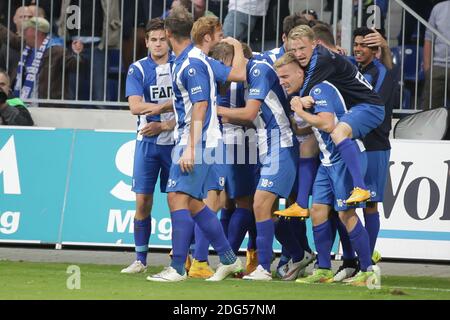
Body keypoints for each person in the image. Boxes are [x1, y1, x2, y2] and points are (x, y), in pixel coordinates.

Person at [146, 6, 245, 283]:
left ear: (167, 33)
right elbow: (235, 76)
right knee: (191, 204)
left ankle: (177, 268)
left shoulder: (190, 64)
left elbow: (200, 105)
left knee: (176, 197)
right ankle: (228, 259)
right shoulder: (196, 58)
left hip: (197, 140)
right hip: (207, 140)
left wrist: (191, 147)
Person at [274, 52, 380, 286]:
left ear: (301, 73)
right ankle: (323, 268)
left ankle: (368, 270)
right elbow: (311, 130)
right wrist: (297, 116)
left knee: (346, 214)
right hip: (327, 160)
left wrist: (300, 112)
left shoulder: (319, 89)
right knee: (319, 211)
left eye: (285, 76)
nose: (282, 81)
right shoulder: (306, 94)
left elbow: (329, 123)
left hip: (343, 158)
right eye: (279, 77)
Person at [217, 43, 313, 281]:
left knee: (260, 203)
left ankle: (263, 267)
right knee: (266, 209)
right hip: (266, 146)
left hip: (280, 144)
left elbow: (249, 114)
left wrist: (214, 110)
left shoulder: (258, 69)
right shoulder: (254, 76)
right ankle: (300, 254)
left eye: (226, 66)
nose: (226, 74)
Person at [286, 25, 385, 206]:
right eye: (294, 50)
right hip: (354, 109)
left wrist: (298, 102)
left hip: (369, 107)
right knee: (308, 146)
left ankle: (360, 188)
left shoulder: (321, 60)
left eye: (302, 48)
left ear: (315, 44)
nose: (298, 54)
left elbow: (304, 93)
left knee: (338, 133)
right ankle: (300, 205)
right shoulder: (321, 56)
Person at [332, 26, 398, 282]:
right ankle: (350, 261)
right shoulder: (353, 67)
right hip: (350, 145)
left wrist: (387, 49)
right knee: (343, 204)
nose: (358, 49)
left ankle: (365, 263)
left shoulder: (382, 72)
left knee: (370, 204)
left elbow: (371, 101)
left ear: (376, 49)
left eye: (365, 45)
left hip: (374, 145)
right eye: (356, 44)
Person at [121, 18, 176, 274]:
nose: (157, 44)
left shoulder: (180, 65)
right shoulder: (138, 69)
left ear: (169, 40)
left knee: (179, 203)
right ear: (146, 42)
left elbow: (190, 107)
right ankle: (140, 259)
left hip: (176, 143)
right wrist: (165, 106)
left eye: (162, 39)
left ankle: (180, 259)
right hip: (147, 142)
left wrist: (164, 124)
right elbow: (134, 107)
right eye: (153, 39)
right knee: (143, 201)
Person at [0, 17, 84, 107]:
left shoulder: (57, 51)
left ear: (37, 32)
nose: (23, 32)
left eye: (27, 29)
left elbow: (75, 66)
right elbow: (10, 38)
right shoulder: (27, 46)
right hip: (22, 103)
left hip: (47, 105)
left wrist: (77, 54)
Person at [421, 0, 450, 109]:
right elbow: (428, 39)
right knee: (429, 111)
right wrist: (428, 68)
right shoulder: (438, 8)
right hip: (438, 66)